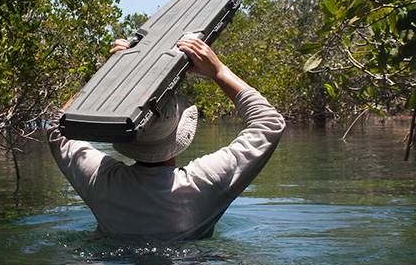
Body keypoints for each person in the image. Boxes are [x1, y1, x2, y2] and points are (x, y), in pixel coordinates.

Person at [47, 35, 285, 240]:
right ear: (180, 130)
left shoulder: (101, 181)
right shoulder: (204, 183)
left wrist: (109, 74)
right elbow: (269, 123)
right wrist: (219, 71)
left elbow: (58, 127)